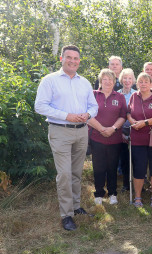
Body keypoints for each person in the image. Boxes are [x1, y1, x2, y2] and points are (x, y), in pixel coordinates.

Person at [35, 45, 98, 231]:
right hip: (60, 131)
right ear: (61, 59)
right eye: (68, 57)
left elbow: (94, 106)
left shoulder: (85, 82)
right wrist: (66, 115)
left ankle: (76, 206)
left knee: (77, 172)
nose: (72, 61)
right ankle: (66, 215)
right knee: (64, 174)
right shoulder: (50, 81)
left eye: (76, 58)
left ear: (79, 61)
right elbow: (40, 106)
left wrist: (87, 115)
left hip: (81, 131)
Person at [127, 72, 152, 208]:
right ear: (137, 83)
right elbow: (128, 112)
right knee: (139, 169)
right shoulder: (133, 96)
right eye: (140, 81)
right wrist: (132, 121)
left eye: (146, 81)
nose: (143, 84)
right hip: (137, 139)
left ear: (151, 84)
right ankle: (138, 197)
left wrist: (144, 122)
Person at [88, 69, 127, 205]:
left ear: (114, 81)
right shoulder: (93, 95)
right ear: (100, 81)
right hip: (96, 137)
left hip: (114, 138)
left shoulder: (120, 97)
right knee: (98, 166)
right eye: (105, 79)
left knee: (112, 166)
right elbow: (88, 114)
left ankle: (112, 193)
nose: (108, 82)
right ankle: (98, 193)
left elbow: (123, 116)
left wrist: (113, 129)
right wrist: (101, 129)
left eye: (111, 79)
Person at [117, 68, 136, 192]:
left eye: (130, 78)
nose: (127, 80)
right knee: (124, 158)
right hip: (120, 131)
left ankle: (137, 184)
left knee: (136, 159)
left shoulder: (137, 94)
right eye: (125, 78)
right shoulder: (117, 94)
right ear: (121, 79)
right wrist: (120, 133)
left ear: (133, 80)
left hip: (135, 130)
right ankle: (125, 184)